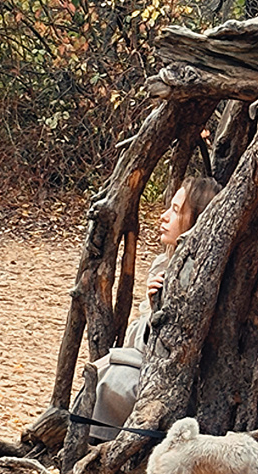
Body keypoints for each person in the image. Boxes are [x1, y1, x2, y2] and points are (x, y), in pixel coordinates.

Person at [87, 176, 221, 441]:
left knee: (113, 380)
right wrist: (152, 309)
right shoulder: (163, 263)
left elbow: (171, 353)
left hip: (177, 385)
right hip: (144, 364)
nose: (163, 217)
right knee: (102, 371)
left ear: (197, 219)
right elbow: (136, 341)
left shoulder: (202, 275)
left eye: (175, 210)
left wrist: (156, 316)